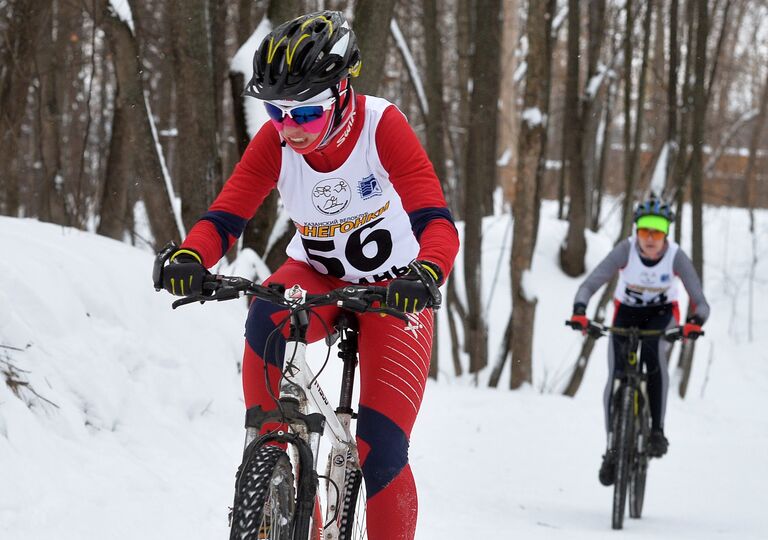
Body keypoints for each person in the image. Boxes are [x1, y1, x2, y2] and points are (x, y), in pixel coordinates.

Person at [157, 11, 458, 539]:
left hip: (395, 291)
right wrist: (190, 258)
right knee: (266, 317)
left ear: (342, 94)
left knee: (381, 450)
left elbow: (436, 221)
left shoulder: (381, 126)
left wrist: (427, 272)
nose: (291, 128)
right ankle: (286, 492)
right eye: (276, 112)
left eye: (308, 115)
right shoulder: (276, 142)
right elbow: (226, 216)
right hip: (316, 275)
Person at [569, 196, 709, 487]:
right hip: (626, 314)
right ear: (635, 231)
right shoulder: (625, 250)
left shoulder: (676, 257)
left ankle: (656, 430)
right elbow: (591, 283)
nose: (649, 238)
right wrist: (580, 310)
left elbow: (700, 301)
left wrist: (695, 323)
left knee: (653, 357)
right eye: (644, 230)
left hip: (662, 316)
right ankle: (612, 449)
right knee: (616, 374)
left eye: (657, 231)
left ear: (666, 234)